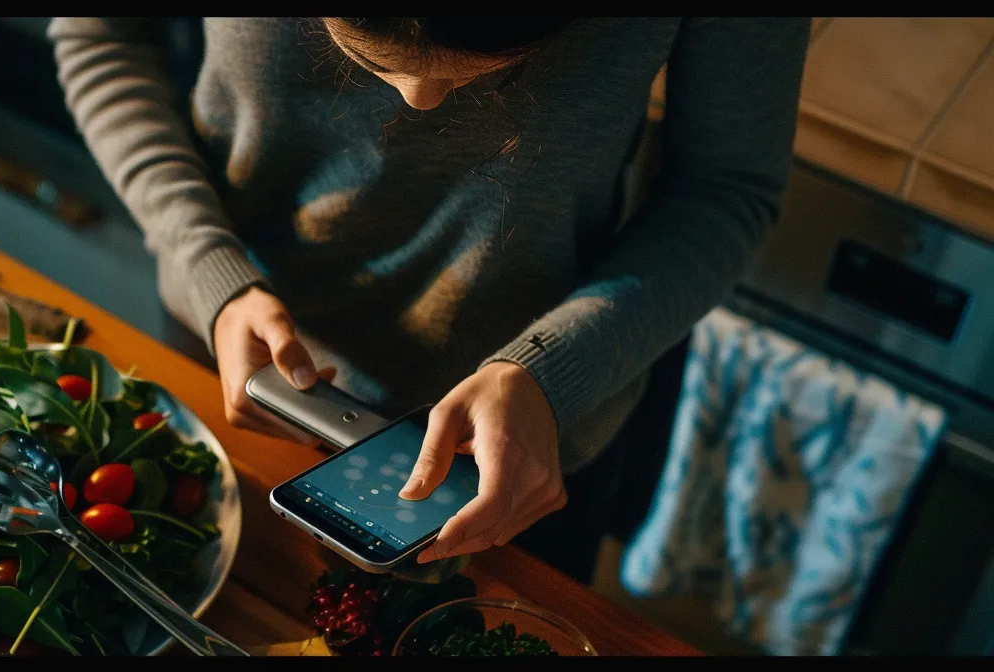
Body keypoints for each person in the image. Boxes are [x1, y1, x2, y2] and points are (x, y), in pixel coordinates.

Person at [50, 17, 808, 583]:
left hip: (520, 455)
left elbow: (725, 190)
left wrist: (554, 372)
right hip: (236, 375)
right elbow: (100, 38)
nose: (419, 100)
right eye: (367, 48)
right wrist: (207, 265)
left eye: (495, 67)